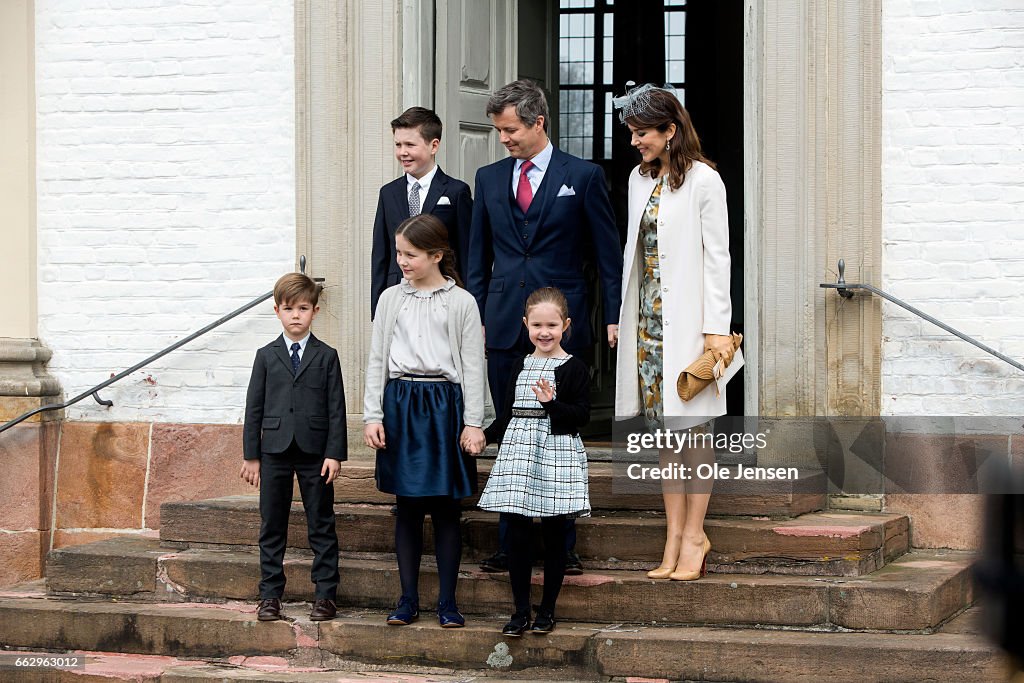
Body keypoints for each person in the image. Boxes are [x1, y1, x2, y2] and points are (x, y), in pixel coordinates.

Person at [466, 78, 622, 574]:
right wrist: (475, 318)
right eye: (498, 131)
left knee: (559, 439)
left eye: (510, 129)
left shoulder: (586, 175)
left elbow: (607, 255)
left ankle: (562, 544)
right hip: (502, 325)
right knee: (513, 435)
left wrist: (613, 314)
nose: (504, 139)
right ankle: (510, 543)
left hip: (560, 328)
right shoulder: (488, 179)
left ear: (538, 122)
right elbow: (478, 259)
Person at [612, 84, 736, 581]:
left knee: (694, 430)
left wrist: (716, 332)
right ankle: (672, 534)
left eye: (642, 133)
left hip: (691, 324)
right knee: (666, 433)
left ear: (670, 131)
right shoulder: (637, 179)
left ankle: (695, 535)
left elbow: (717, 259)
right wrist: (625, 318)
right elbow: (634, 256)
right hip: (648, 325)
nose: (635, 142)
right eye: (632, 133)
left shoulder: (705, 180)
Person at [363, 213, 487, 628]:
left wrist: (473, 423)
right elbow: (377, 359)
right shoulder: (389, 299)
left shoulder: (462, 303)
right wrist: (373, 414)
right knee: (408, 507)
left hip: (444, 406)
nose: (402, 261)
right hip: (401, 403)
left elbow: (473, 366)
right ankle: (407, 600)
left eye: (411, 254)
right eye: (399, 253)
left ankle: (448, 603)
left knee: (448, 509)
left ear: (436, 255)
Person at [478, 287, 591, 636]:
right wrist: (484, 435)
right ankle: (520, 610)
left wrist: (550, 404)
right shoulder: (518, 365)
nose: (545, 332)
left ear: (566, 325)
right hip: (518, 452)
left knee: (556, 534)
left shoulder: (574, 368)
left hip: (556, 451)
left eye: (553, 325)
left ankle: (547, 610)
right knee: (517, 532)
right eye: (537, 324)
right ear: (526, 324)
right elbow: (509, 413)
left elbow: (580, 416)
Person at [240, 273, 346, 622]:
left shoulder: (327, 356)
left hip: (315, 452)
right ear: (277, 311)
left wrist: (334, 453)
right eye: (289, 309)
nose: (296, 315)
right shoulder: (265, 356)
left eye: (303, 308)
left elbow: (336, 408)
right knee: (272, 524)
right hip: (273, 452)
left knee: (321, 523)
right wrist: (251, 456)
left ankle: (326, 595)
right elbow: (253, 407)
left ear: (315, 311)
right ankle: (270, 595)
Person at [371, 107, 473, 319]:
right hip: (397, 298)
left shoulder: (456, 192)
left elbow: (466, 253)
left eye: (410, 145)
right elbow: (381, 254)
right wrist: (378, 308)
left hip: (442, 298)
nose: (402, 152)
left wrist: (469, 306)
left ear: (433, 145)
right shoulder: (388, 193)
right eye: (398, 145)